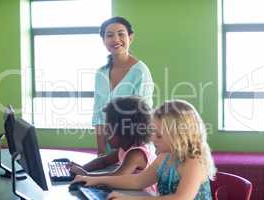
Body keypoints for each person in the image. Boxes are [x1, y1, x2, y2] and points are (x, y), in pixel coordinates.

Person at [72, 100, 217, 200]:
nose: (153, 139)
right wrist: (92, 179)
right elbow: (137, 181)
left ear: (179, 137)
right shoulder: (164, 158)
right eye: (153, 132)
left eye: (159, 135)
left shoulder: (194, 162)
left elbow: (180, 198)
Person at [92, 16, 154, 156]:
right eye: (109, 35)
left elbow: (142, 118)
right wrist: (101, 151)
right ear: (103, 40)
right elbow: (99, 116)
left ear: (130, 37)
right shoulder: (100, 73)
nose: (115, 39)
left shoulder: (140, 71)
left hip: (135, 150)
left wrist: (127, 155)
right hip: (110, 148)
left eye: (121, 34)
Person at [68, 97, 156, 194]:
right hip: (131, 193)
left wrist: (86, 176)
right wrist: (82, 168)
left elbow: (117, 176)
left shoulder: (137, 154)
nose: (105, 132)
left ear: (125, 132)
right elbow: (103, 161)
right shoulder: (124, 149)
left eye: (109, 129)